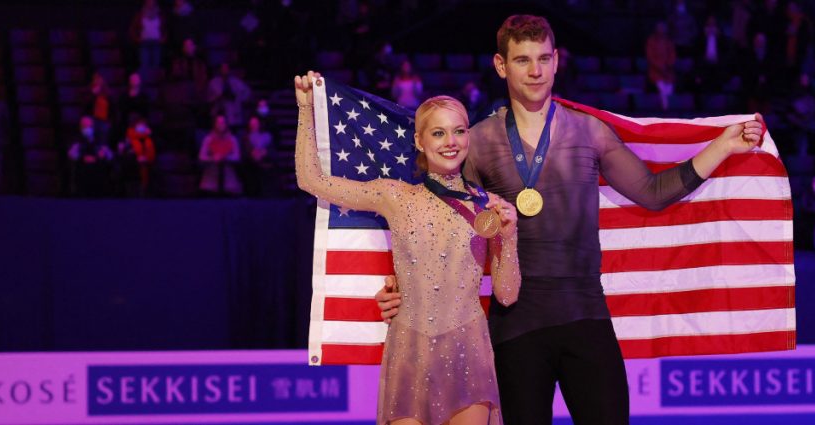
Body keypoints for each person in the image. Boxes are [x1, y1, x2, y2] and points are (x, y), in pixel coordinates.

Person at [377, 15, 763, 425]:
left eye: (544, 58)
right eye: (523, 60)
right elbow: (441, 226)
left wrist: (722, 146)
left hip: (585, 318)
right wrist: (401, 286)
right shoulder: (480, 142)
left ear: (557, 60)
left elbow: (653, 192)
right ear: (501, 65)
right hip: (514, 330)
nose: (536, 71)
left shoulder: (590, 132)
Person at [294, 71, 520, 425]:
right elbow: (311, 180)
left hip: (467, 350)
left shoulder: (487, 207)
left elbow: (506, 295)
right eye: (438, 132)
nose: (450, 141)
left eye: (459, 131)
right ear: (419, 141)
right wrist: (305, 107)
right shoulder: (395, 196)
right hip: (409, 349)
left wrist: (509, 236)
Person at [198, 114, 242, 196]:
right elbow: (201, 156)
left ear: (226, 124)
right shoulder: (208, 139)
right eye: (218, 122)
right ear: (215, 124)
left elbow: (237, 156)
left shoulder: (232, 139)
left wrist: (225, 157)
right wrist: (212, 158)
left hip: (228, 171)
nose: (221, 125)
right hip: (211, 172)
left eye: (223, 122)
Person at [645, 21, 677, 110]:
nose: (662, 30)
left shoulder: (669, 41)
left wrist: (668, 66)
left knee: (670, 88)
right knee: (662, 87)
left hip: (668, 71)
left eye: (663, 27)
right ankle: (665, 110)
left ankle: (671, 110)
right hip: (655, 71)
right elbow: (650, 56)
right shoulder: (651, 41)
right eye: (660, 28)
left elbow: (672, 56)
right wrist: (660, 67)